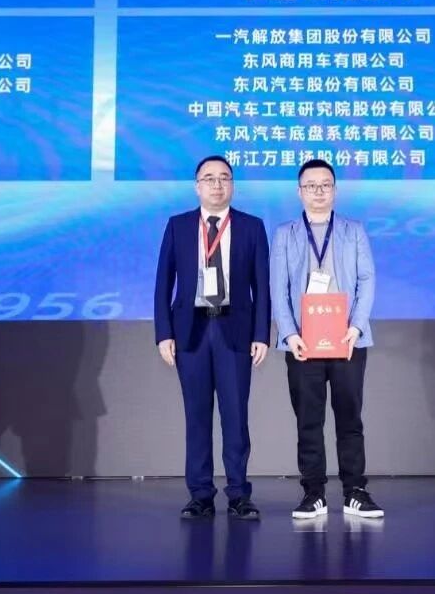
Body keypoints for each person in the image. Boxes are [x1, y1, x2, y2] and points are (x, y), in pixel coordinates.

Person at [154, 155, 270, 520]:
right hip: (191, 332)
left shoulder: (252, 226)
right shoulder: (178, 226)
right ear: (197, 186)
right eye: (209, 178)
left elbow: (262, 286)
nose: (217, 185)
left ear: (232, 185)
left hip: (235, 330)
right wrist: (163, 333)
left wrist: (262, 334)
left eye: (224, 178)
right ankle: (200, 495)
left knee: (236, 416)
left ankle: (238, 494)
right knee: (197, 417)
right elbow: (163, 283)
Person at [270, 158, 383, 519]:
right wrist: (289, 333)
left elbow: (367, 279)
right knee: (309, 421)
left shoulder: (353, 230)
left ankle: (355, 492)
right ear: (299, 191)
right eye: (311, 185)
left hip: (347, 339)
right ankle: (313, 493)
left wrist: (356, 327)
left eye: (325, 185)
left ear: (335, 190)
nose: (318, 191)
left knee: (350, 419)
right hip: (303, 342)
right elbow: (278, 288)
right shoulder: (285, 233)